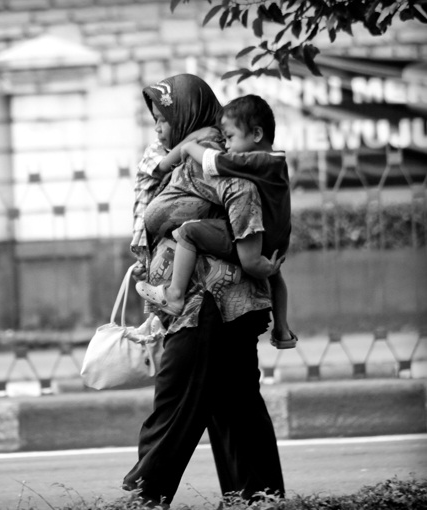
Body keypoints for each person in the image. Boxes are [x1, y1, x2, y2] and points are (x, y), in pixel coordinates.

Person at [124, 74, 285, 508]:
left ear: (185, 112)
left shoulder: (209, 152)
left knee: (176, 403)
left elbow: (240, 191)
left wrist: (246, 252)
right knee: (235, 406)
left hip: (206, 304)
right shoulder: (189, 153)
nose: (158, 128)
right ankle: (260, 498)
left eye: (163, 118)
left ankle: (144, 498)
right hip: (221, 303)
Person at [135, 94, 297, 349]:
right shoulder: (275, 162)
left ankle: (175, 295)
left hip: (253, 241)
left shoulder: (257, 160)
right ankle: (282, 330)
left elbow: (215, 163)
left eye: (230, 137)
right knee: (275, 277)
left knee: (189, 232)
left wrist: (189, 147)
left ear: (256, 134)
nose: (226, 145)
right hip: (274, 239)